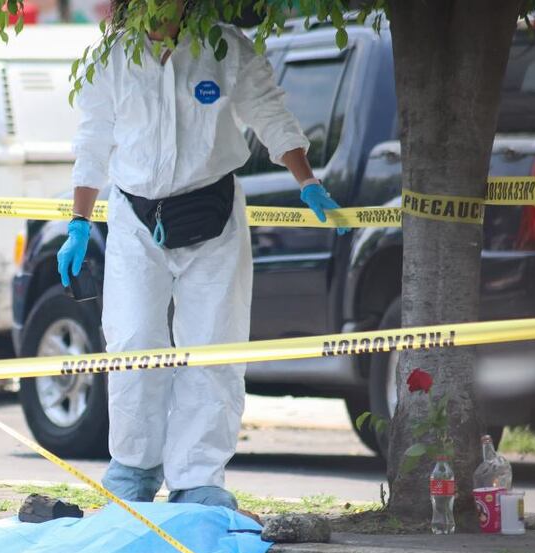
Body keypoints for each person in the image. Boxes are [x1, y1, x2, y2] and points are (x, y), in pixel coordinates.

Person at [60, 3, 341, 510]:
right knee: (132, 342)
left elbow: (269, 112)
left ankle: (198, 478)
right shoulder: (112, 56)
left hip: (213, 212)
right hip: (134, 216)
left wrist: (307, 180)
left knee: (214, 347)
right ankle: (133, 468)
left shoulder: (224, 46)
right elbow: (93, 136)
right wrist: (80, 219)